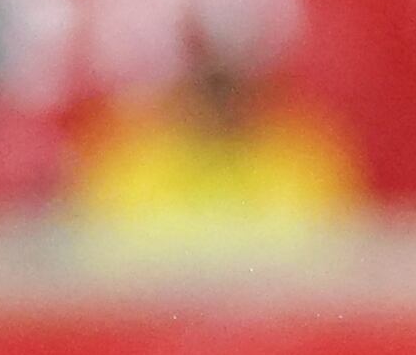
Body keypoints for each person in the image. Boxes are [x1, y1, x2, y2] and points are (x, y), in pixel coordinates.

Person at [73, 44, 366, 260]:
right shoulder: (131, 160)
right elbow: (103, 265)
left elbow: (329, 258)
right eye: (205, 87)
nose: (216, 103)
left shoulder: (302, 157)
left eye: (226, 87)